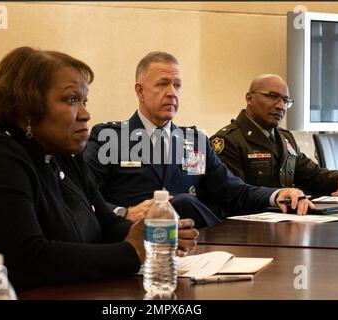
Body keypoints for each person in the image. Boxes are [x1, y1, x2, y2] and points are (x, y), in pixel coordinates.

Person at [0, 47, 198, 299]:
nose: (85, 113)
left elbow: (106, 223)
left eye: (84, 100)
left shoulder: (64, 151)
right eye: (71, 100)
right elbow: (28, 260)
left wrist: (153, 237)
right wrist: (132, 251)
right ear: (26, 108)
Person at [84, 52, 313, 229]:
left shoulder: (194, 142)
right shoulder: (111, 138)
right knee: (183, 203)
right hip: (136, 243)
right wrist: (125, 212)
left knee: (186, 204)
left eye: (178, 85)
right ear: (140, 91)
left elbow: (233, 191)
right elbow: (81, 197)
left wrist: (277, 195)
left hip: (193, 245)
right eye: (163, 84)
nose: (172, 92)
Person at [210, 74, 338, 197]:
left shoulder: (285, 138)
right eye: (272, 96)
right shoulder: (229, 140)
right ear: (249, 99)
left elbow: (311, 175)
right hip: (248, 224)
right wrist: (276, 197)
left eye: (286, 101)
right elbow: (234, 194)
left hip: (286, 219)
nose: (281, 106)